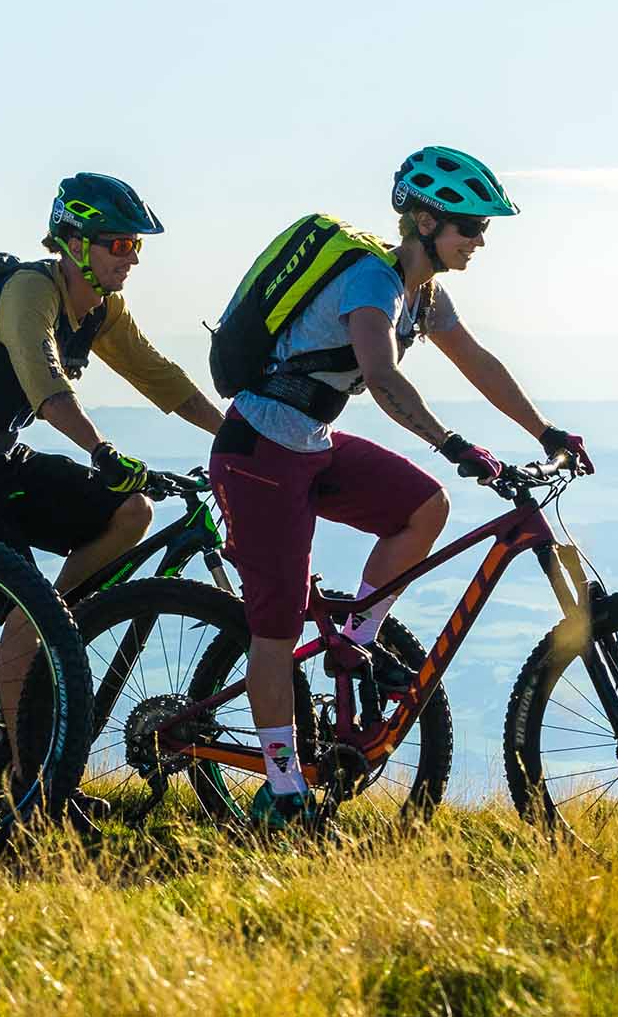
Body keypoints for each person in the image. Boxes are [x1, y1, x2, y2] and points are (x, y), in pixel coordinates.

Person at [206, 146, 595, 828]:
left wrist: (545, 432)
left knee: (423, 507)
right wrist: (450, 444)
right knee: (274, 627)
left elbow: (477, 362)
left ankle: (355, 642)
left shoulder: (427, 295)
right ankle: (283, 787)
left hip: (309, 445)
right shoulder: (370, 282)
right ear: (422, 221)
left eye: (482, 229)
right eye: (468, 227)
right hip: (259, 451)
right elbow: (381, 377)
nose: (479, 241)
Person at [0, 172, 225, 754]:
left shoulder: (101, 309)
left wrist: (237, 436)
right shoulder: (28, 290)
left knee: (130, 511)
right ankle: (27, 782)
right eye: (119, 244)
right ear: (73, 242)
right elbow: (45, 384)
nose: (133, 258)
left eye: (136, 246)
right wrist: (100, 450)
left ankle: (54, 624)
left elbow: (158, 376)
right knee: (27, 610)